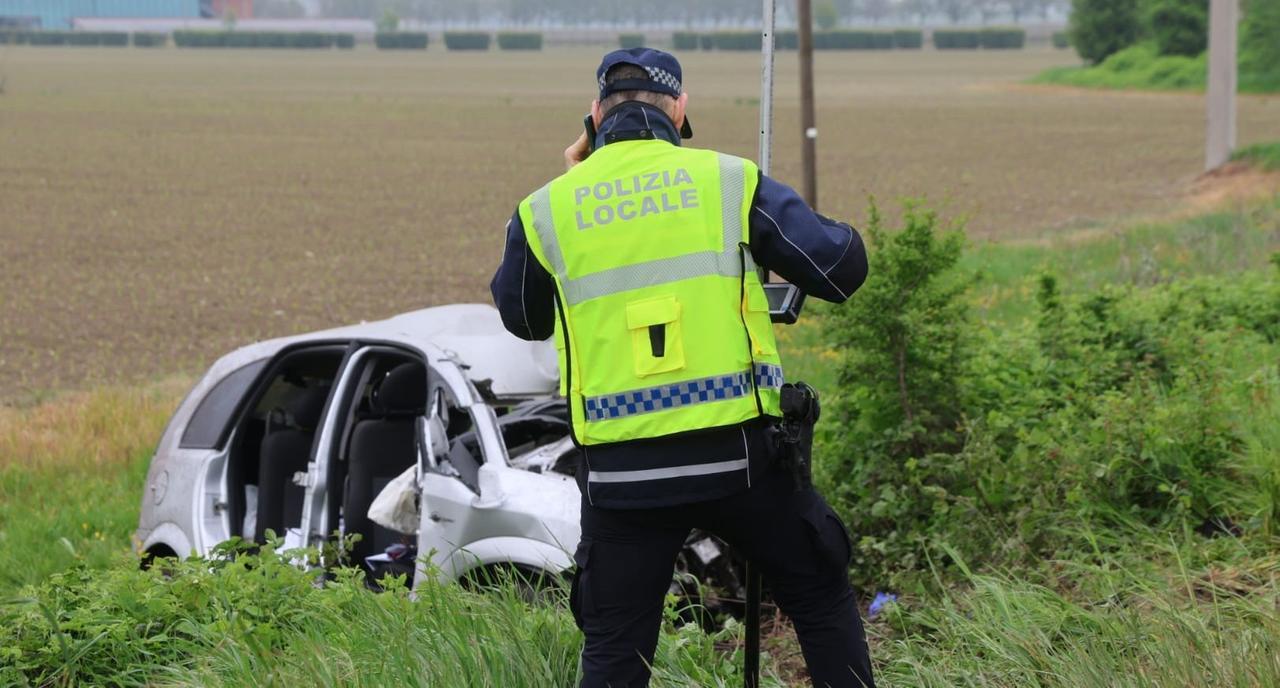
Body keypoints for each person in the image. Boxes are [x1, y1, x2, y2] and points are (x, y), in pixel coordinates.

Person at [490, 47, 875, 688]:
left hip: (620, 478)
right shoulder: (727, 181)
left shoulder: (544, 210)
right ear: (679, 110)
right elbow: (841, 269)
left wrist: (574, 181)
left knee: (615, 648)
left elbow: (524, 319)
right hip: (740, 462)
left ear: (593, 118)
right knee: (818, 592)